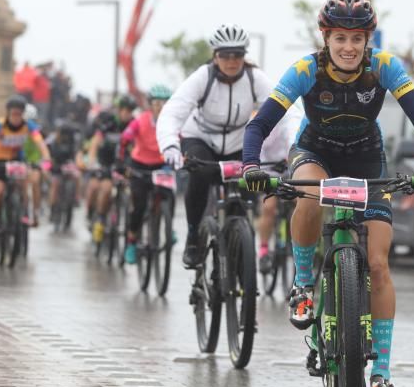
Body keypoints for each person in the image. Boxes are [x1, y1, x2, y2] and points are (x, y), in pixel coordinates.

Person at [243, 0, 414, 387]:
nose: (348, 47)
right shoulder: (305, 71)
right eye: (339, 38)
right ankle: (302, 284)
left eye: (356, 38)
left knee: (378, 263)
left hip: (368, 158)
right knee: (311, 193)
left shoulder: (384, 67)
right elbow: (262, 122)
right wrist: (250, 165)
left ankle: (382, 376)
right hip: (315, 152)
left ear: (367, 39)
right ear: (326, 38)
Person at [156, 25, 274, 268]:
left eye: (237, 55)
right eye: (225, 55)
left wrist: (292, 149)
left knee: (250, 181)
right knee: (199, 176)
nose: (231, 61)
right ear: (215, 56)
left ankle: (240, 237)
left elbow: (284, 113)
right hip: (201, 138)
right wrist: (169, 145)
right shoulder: (203, 77)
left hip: (239, 141)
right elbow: (173, 111)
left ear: (244, 56)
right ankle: (192, 236)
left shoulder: (255, 78)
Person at [0, 95, 52, 242]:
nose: (16, 117)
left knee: (28, 181)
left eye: (19, 114)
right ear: (8, 113)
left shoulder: (29, 126)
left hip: (16, 161)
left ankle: (24, 213)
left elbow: (41, 143)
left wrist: (46, 160)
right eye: (13, 114)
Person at [120, 86, 173, 265]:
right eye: (157, 103)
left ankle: (168, 227)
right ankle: (132, 243)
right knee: (139, 204)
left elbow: (181, 140)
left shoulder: (172, 122)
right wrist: (122, 160)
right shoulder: (140, 121)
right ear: (150, 105)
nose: (161, 106)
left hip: (162, 165)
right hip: (139, 166)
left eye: (165, 103)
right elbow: (126, 138)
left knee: (168, 194)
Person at [255, 108, 302, 271]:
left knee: (302, 201)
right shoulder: (260, 121)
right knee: (269, 208)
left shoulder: (292, 120)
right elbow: (256, 149)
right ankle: (263, 249)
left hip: (291, 169)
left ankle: (302, 241)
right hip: (269, 170)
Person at [87, 97, 136, 243]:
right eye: (125, 110)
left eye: (130, 111)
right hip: (105, 163)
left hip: (124, 164)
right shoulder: (109, 122)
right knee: (105, 189)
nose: (127, 114)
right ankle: (100, 220)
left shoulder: (134, 124)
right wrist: (91, 160)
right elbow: (96, 142)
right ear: (119, 110)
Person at [46, 120, 81, 217]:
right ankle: (52, 207)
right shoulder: (53, 141)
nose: (65, 136)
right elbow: (49, 156)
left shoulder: (74, 142)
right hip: (56, 167)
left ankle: (76, 197)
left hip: (69, 167)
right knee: (55, 184)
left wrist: (78, 165)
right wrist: (51, 165)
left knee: (77, 177)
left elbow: (77, 154)